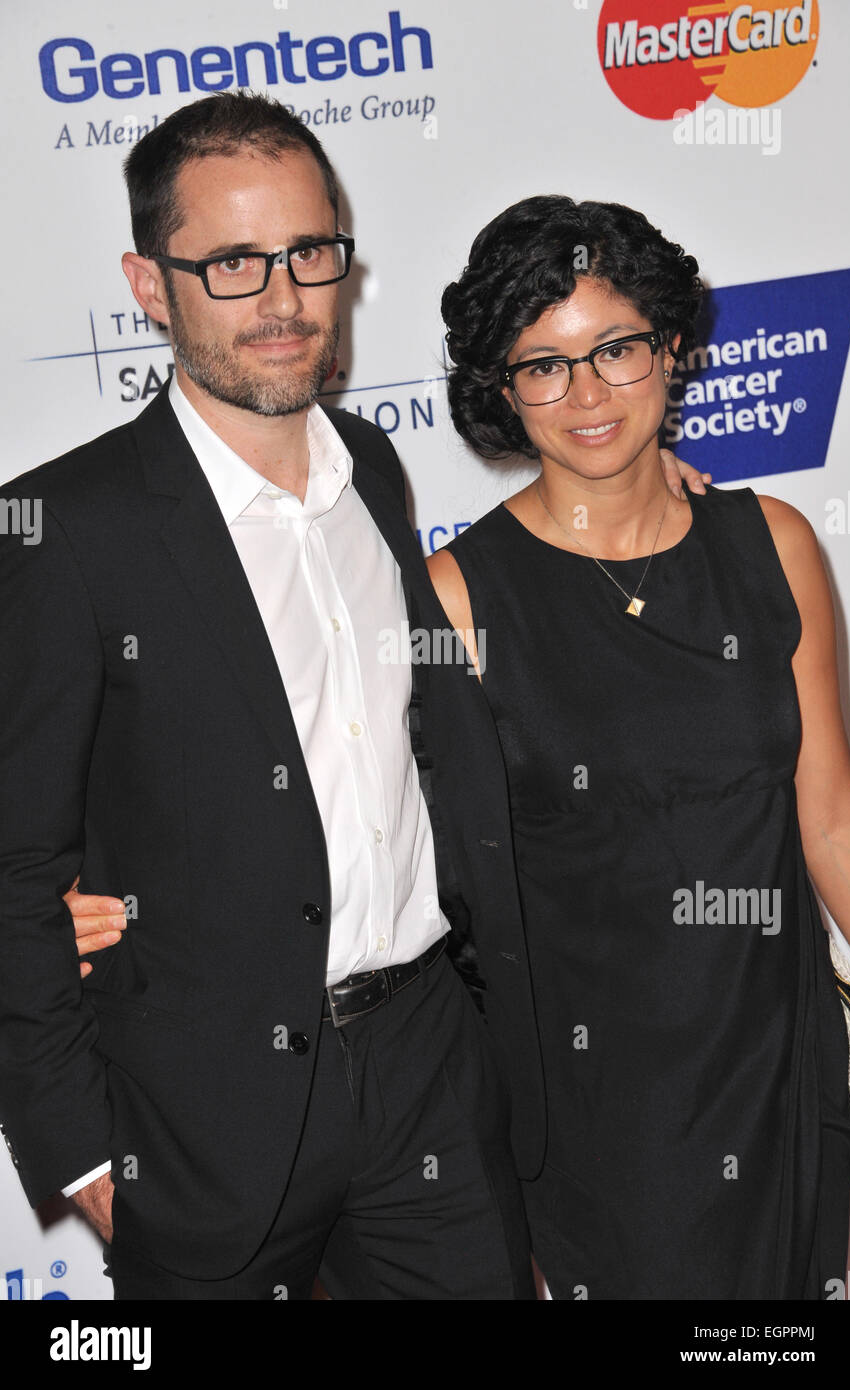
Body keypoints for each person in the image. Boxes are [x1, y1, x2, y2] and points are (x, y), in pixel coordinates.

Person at [0, 90, 558, 1301]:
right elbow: (16, 863)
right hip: (197, 1107)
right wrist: (77, 1145)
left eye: (309, 251)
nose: (283, 297)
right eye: (233, 263)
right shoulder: (66, 531)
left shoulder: (377, 469)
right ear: (150, 284)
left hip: (425, 1068)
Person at [419, 196, 850, 1300]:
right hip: (597, 1104)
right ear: (500, 389)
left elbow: (834, 820)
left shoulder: (773, 545)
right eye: (543, 365)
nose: (586, 396)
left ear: (669, 346)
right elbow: (428, 883)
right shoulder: (456, 597)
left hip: (775, 1062)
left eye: (614, 349)